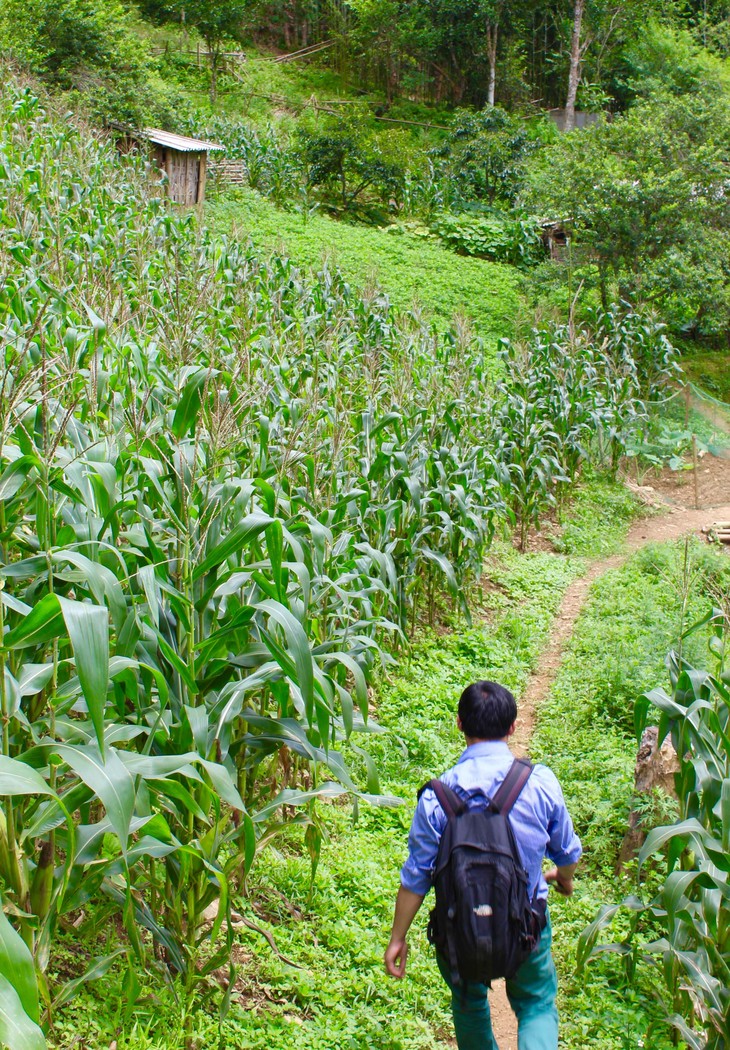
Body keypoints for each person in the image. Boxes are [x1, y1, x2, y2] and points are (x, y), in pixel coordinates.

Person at [384, 679, 582, 1050]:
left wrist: (398, 938)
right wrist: (563, 879)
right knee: (536, 1003)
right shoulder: (539, 783)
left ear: (459, 724)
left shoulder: (436, 797)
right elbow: (567, 852)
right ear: (511, 727)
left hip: (459, 928)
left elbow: (417, 877)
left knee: (469, 1004)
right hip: (527, 924)